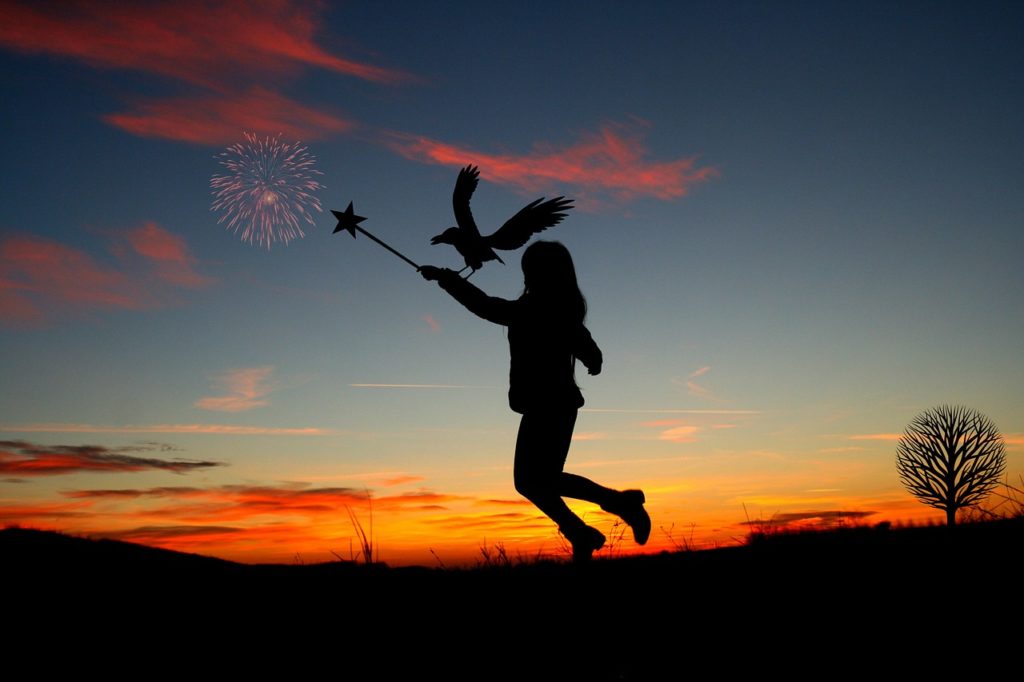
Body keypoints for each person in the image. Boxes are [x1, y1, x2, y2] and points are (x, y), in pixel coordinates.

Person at [420, 240, 650, 561]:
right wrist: (591, 359)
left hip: (549, 405)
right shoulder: (561, 309)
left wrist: (447, 279)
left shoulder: (536, 309)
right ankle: (583, 529)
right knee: (535, 481)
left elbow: (486, 306)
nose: (527, 276)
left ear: (540, 273)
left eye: (530, 270)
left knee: (534, 481)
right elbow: (586, 346)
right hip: (553, 404)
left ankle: (607, 512)